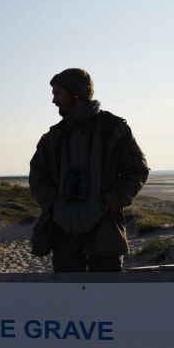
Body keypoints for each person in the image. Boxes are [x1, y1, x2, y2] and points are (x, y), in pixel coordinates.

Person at [29, 68, 149, 272]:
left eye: (57, 93)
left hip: (105, 231)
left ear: (76, 93)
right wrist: (54, 206)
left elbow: (137, 171)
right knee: (68, 298)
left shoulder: (114, 130)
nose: (53, 101)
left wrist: (106, 203)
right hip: (63, 233)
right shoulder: (53, 137)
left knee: (106, 296)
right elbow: (38, 174)